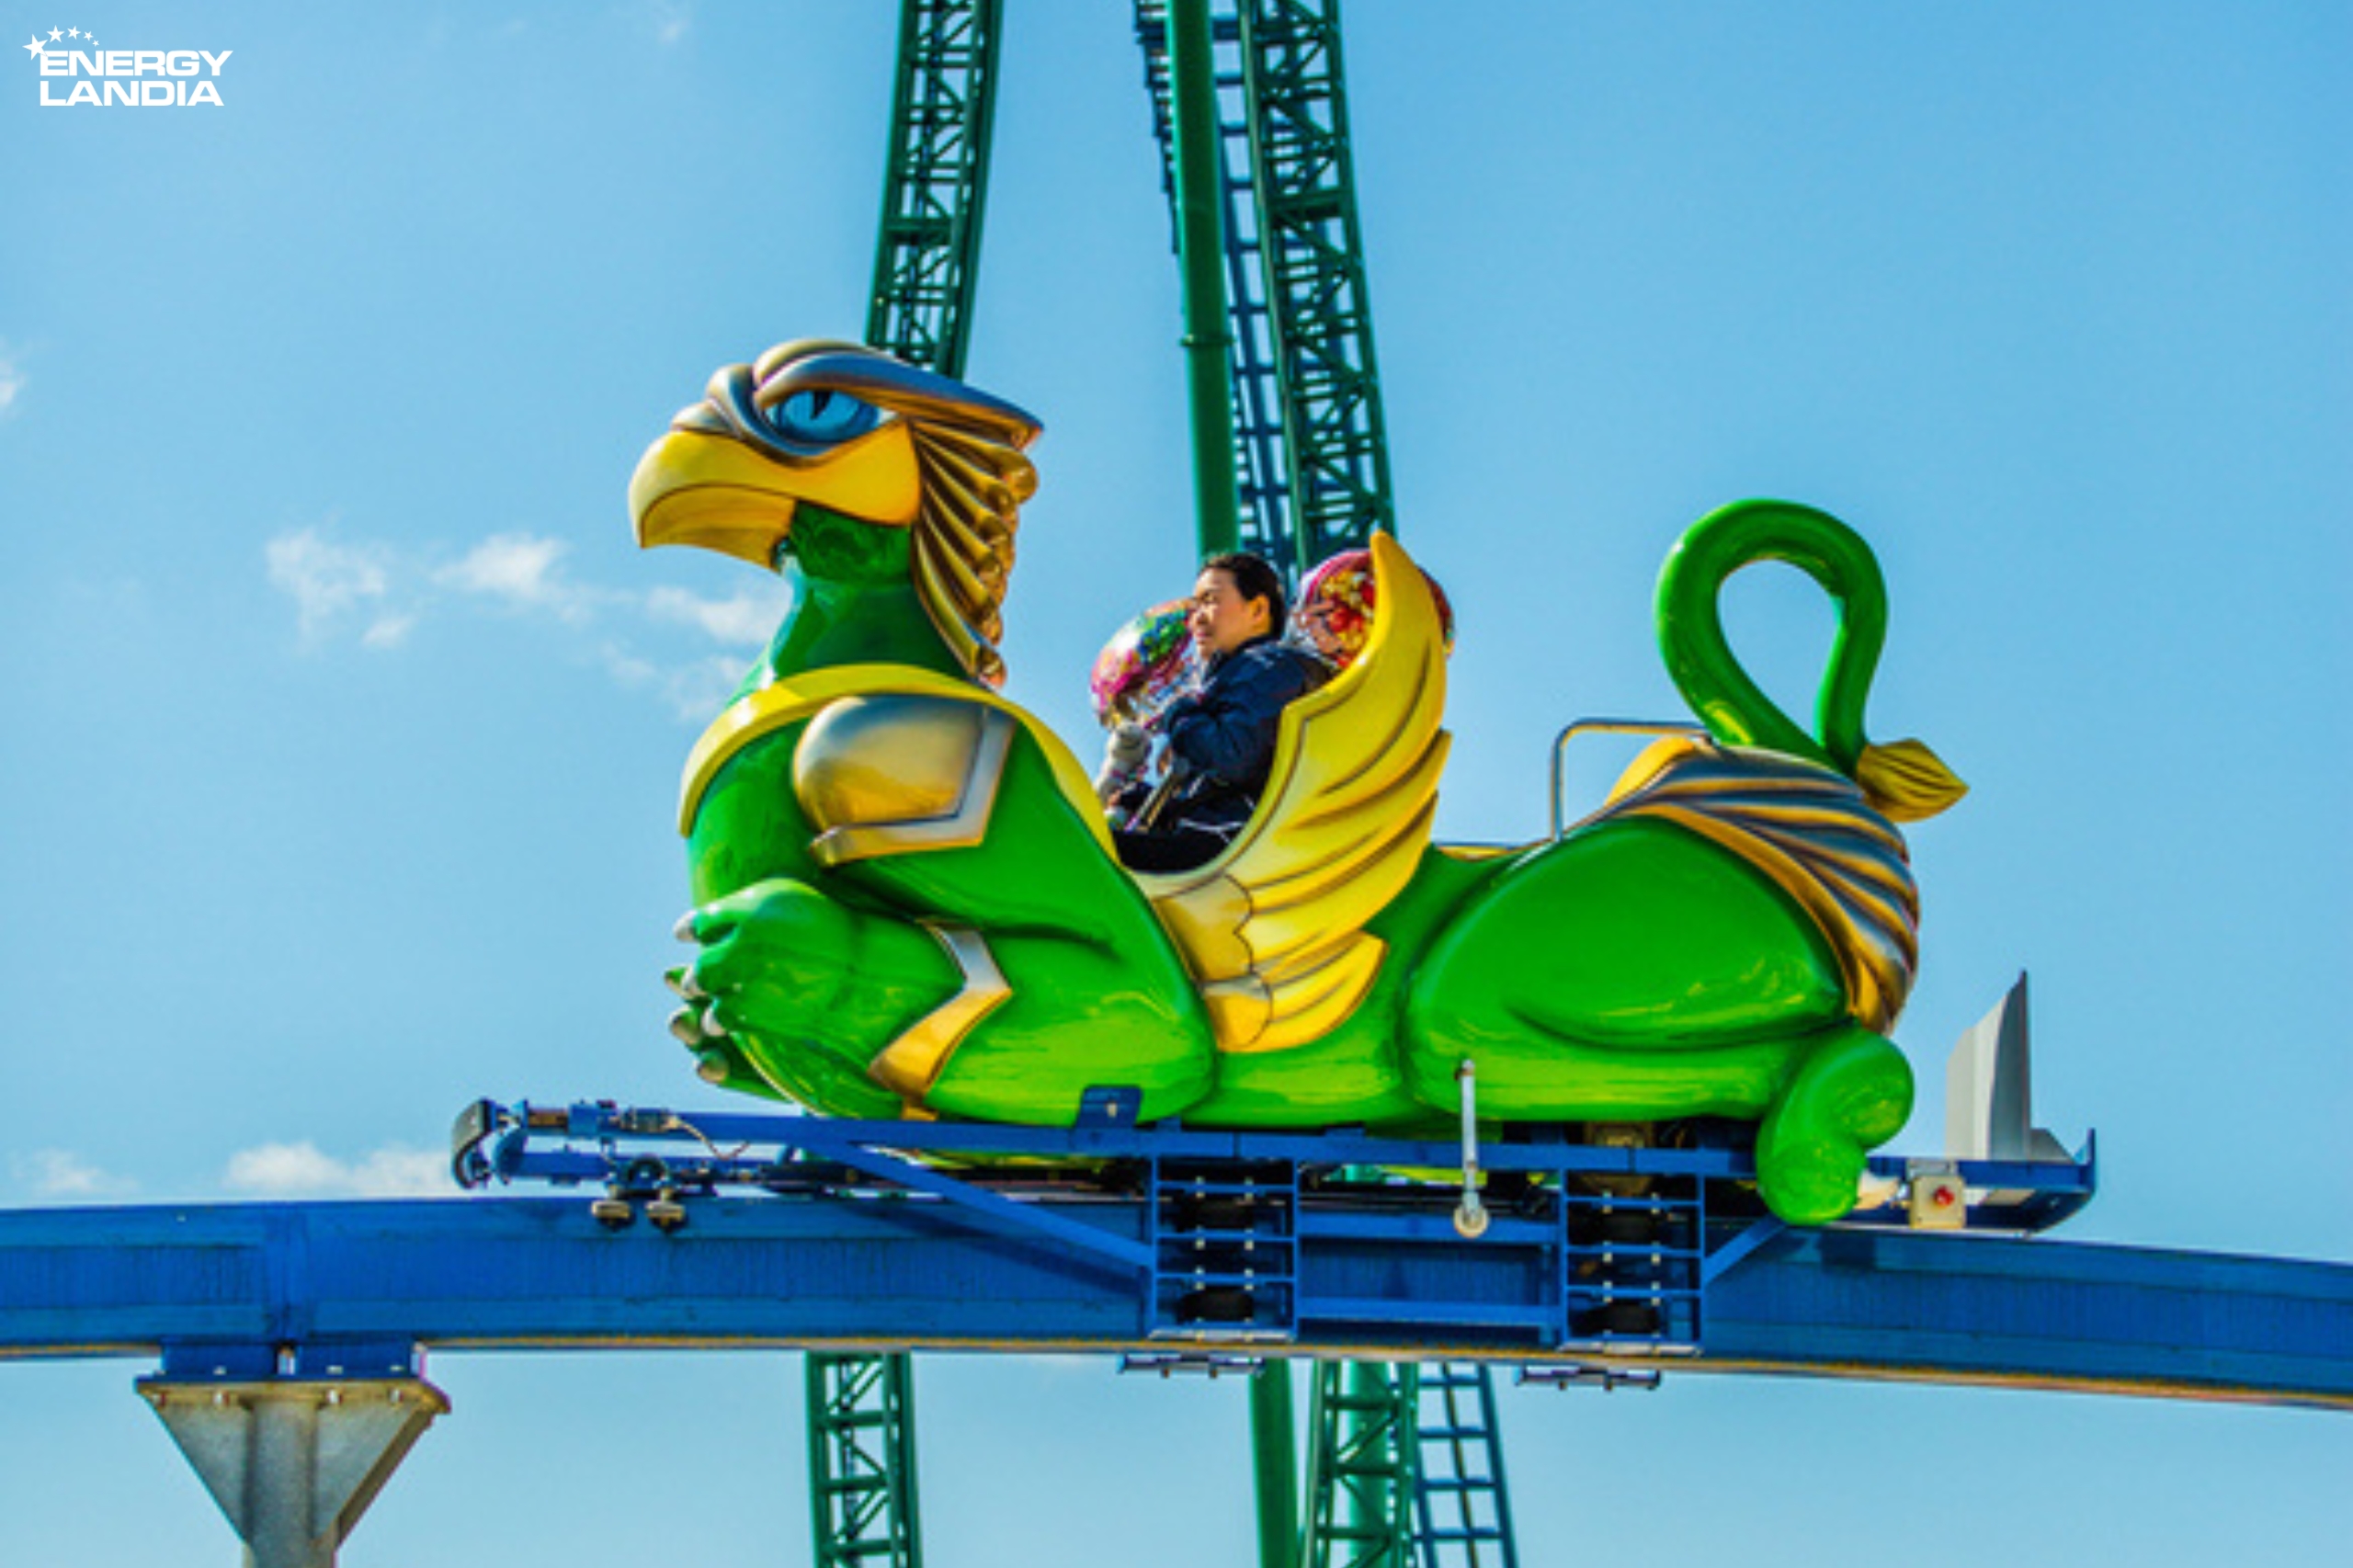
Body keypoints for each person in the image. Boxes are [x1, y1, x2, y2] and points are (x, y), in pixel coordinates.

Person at [1109, 552, 1328, 872]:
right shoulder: (1234, 675)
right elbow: (1225, 786)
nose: (1196, 619)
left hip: (1232, 853)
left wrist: (1178, 710)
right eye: (1195, 606)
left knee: (1079, 850)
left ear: (1258, 609)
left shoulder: (1267, 666)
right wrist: (1152, 802)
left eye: (1210, 601)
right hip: (1221, 844)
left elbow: (1232, 757)